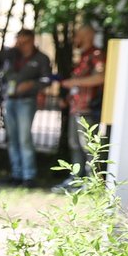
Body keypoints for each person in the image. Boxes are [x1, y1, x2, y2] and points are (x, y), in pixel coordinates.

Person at [0, 28, 50, 186]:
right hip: (11, 100)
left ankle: (29, 176)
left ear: (32, 40)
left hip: (27, 101)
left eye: (24, 42)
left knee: (24, 138)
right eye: (18, 42)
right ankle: (16, 174)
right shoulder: (12, 54)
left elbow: (47, 80)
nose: (20, 45)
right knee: (13, 139)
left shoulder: (41, 58)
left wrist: (32, 85)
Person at [55, 25, 107, 186]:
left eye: (77, 35)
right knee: (75, 145)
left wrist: (74, 82)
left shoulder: (96, 55)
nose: (74, 39)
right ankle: (76, 179)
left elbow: (101, 77)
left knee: (89, 147)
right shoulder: (82, 56)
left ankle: (93, 182)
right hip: (75, 109)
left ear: (87, 36)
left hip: (88, 110)